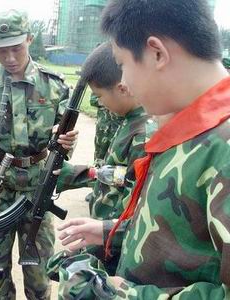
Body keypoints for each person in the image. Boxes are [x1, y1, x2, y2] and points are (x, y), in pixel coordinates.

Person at [56, 0, 230, 298]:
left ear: (156, 53)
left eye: (122, 64)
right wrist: (112, 231)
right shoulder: (192, 131)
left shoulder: (222, 147)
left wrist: (114, 294)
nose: (123, 81)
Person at [0, 9, 77, 300]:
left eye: (16, 49)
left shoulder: (55, 85)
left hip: (37, 189)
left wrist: (67, 141)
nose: (9, 58)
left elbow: (64, 134)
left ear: (30, 40)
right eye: (1, 50)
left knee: (40, 272)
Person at [55, 42, 155, 275]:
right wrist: (80, 173)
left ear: (122, 89)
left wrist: (90, 252)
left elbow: (132, 214)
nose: (99, 103)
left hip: (115, 248)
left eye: (99, 95)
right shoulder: (130, 123)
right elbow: (118, 174)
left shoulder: (142, 135)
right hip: (107, 238)